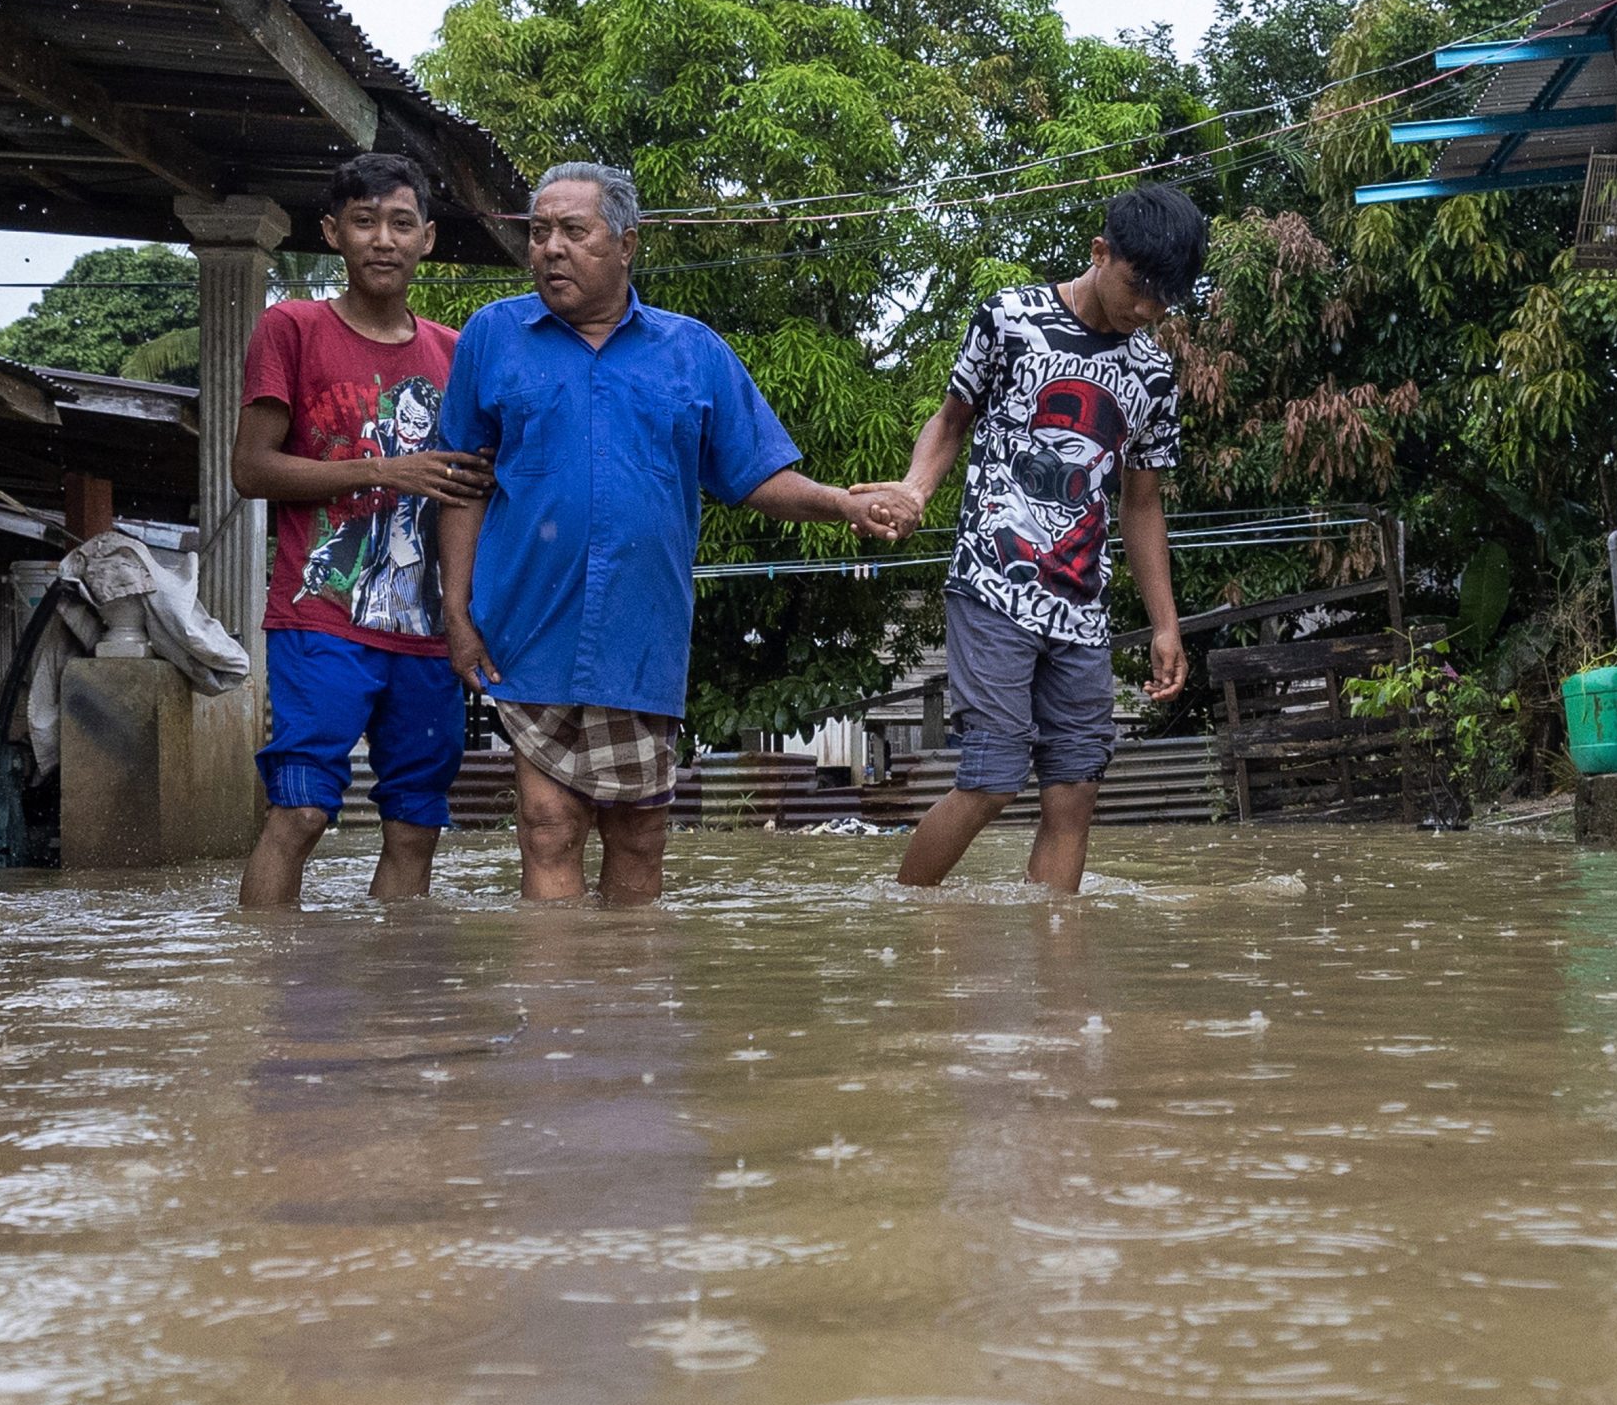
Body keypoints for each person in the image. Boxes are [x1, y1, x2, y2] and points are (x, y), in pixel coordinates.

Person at [437, 162, 906, 903]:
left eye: (573, 231)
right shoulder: (493, 337)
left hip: (638, 632)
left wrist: (840, 505)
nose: (550, 248)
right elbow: (459, 484)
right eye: (539, 232)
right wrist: (457, 612)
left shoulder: (693, 352)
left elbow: (754, 476)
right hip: (525, 628)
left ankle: (626, 1007)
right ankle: (557, 1018)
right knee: (548, 825)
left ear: (626, 244)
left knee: (639, 836)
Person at [858, 183, 1207, 893]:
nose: (1149, 310)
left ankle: (1055, 965)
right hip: (993, 581)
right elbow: (950, 421)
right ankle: (902, 919)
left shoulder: (1154, 374)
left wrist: (1165, 625)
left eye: (1166, 300)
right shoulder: (1009, 319)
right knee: (992, 779)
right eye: (1140, 288)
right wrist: (915, 491)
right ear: (1100, 252)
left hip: (1081, 606)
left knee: (1074, 792)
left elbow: (1143, 505)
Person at [229, 152, 493, 906]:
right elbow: (251, 470)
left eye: (401, 223)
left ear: (428, 239)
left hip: (428, 628)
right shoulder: (293, 327)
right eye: (364, 221)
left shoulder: (456, 352)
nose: (383, 239)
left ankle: (398, 1007)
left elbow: (475, 486)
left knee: (416, 825)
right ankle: (270, 996)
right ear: (332, 233)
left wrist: (463, 618)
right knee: (303, 811)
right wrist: (385, 472)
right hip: (323, 613)